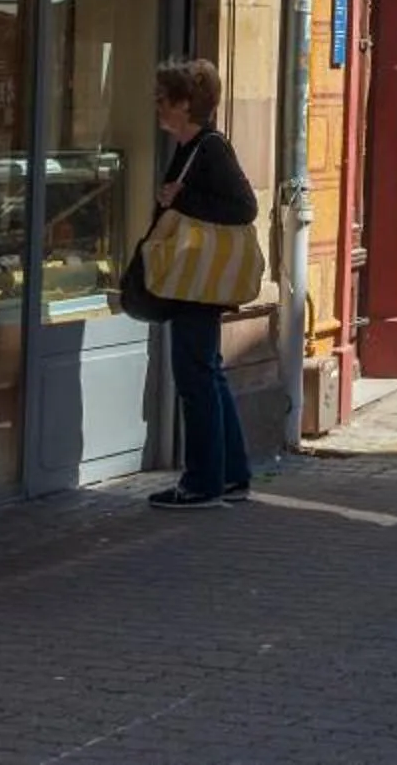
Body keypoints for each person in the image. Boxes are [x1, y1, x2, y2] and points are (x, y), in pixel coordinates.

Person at [150, 60, 259, 509]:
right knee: (207, 373)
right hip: (194, 278)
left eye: (163, 99)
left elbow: (244, 207)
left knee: (195, 376)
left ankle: (202, 482)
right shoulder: (192, 146)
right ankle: (231, 474)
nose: (156, 106)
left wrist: (183, 198)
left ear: (184, 105)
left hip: (198, 281)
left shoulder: (210, 148)